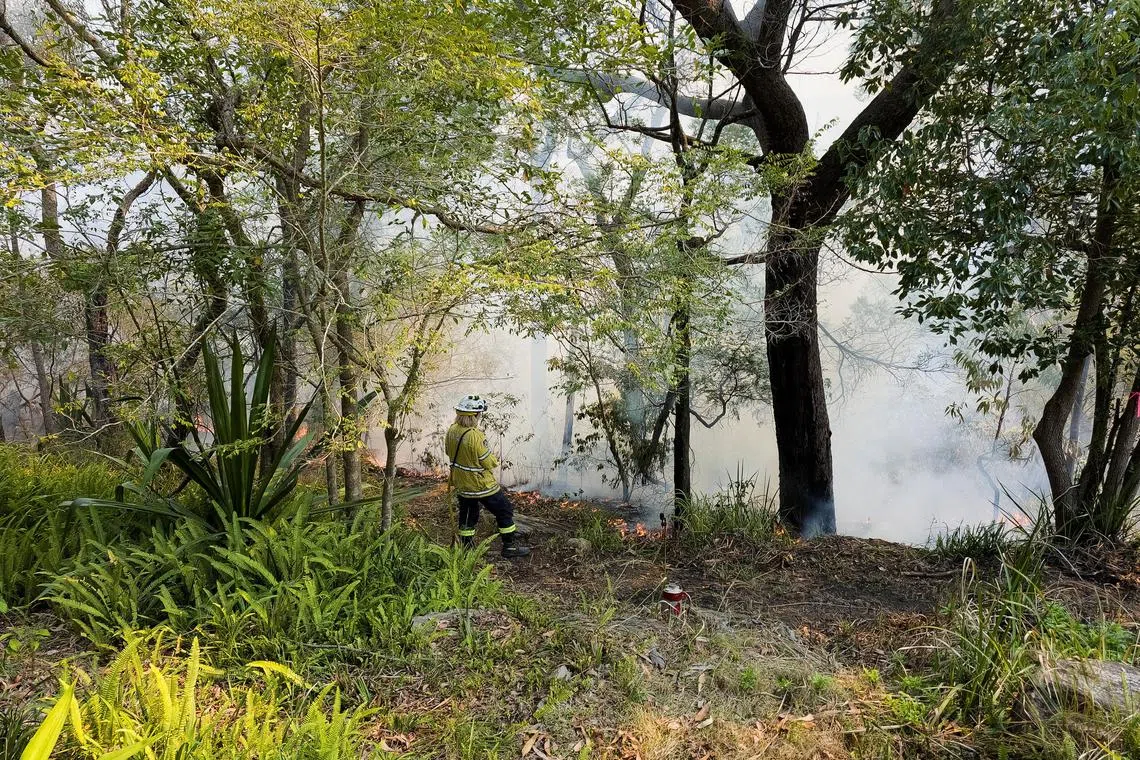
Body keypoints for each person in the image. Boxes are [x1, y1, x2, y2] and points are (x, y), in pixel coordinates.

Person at [445, 395, 531, 558]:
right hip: (481, 485)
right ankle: (509, 547)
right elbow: (487, 462)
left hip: (462, 484)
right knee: (504, 510)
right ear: (475, 415)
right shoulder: (475, 435)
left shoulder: (451, 430)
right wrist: (494, 459)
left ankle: (467, 550)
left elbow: (448, 452)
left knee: (468, 516)